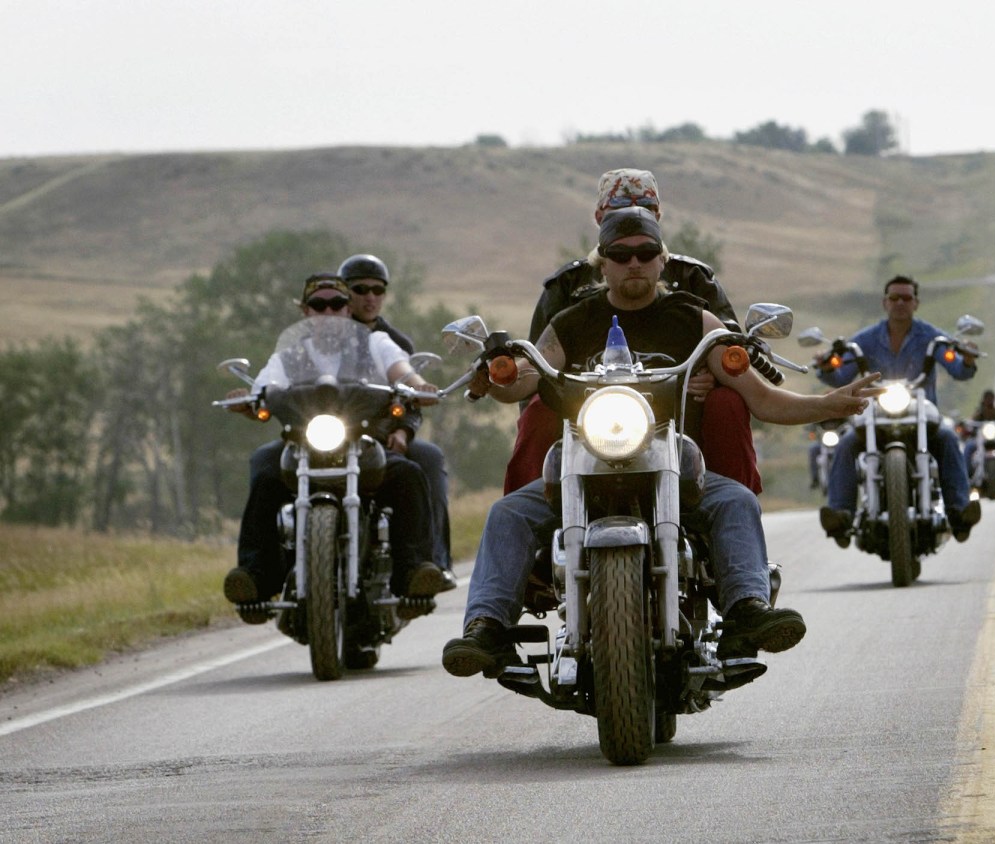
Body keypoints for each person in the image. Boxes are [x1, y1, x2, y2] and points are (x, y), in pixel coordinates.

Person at [441, 207, 883, 678]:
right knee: (507, 512)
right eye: (620, 254)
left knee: (734, 499)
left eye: (646, 253)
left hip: (671, 458)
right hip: (584, 463)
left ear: (661, 259)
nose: (634, 263)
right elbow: (527, 379)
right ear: (603, 262)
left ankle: (747, 611)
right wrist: (498, 374)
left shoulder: (696, 321)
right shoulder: (572, 322)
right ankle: (486, 629)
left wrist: (829, 403)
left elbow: (763, 397)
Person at [504, 168, 761, 495]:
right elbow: (535, 366)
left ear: (659, 217)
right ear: (599, 218)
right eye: (619, 254)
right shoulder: (567, 285)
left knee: (728, 402)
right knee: (538, 409)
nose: (633, 261)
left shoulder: (694, 277)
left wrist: (714, 373)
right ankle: (531, 506)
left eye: (645, 213)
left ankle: (733, 504)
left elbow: (735, 352)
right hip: (586, 414)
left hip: (683, 410)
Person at [222, 273, 444, 622]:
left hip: (362, 443)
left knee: (409, 475)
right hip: (304, 446)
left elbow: (402, 372)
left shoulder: (375, 343)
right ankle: (255, 579)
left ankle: (415, 572)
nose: (328, 311)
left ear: (347, 310)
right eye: (319, 304)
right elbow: (266, 386)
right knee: (265, 474)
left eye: (337, 304)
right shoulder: (289, 355)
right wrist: (250, 399)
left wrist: (418, 385)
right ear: (305, 311)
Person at [815, 275, 983, 545]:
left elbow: (959, 370)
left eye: (906, 298)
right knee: (846, 443)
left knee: (949, 438)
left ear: (916, 303)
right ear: (885, 302)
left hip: (921, 415)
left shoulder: (932, 337)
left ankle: (959, 513)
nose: (900, 303)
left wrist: (967, 358)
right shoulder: (865, 339)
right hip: (875, 417)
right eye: (894, 298)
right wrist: (826, 366)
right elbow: (840, 375)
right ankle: (841, 515)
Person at [339, 253, 456, 592]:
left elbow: (409, 390)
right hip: (329, 435)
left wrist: (404, 429)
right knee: (267, 462)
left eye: (378, 289)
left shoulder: (393, 342)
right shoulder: (319, 341)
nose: (370, 297)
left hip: (382, 434)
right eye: (360, 289)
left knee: (429, 459)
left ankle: (432, 562)